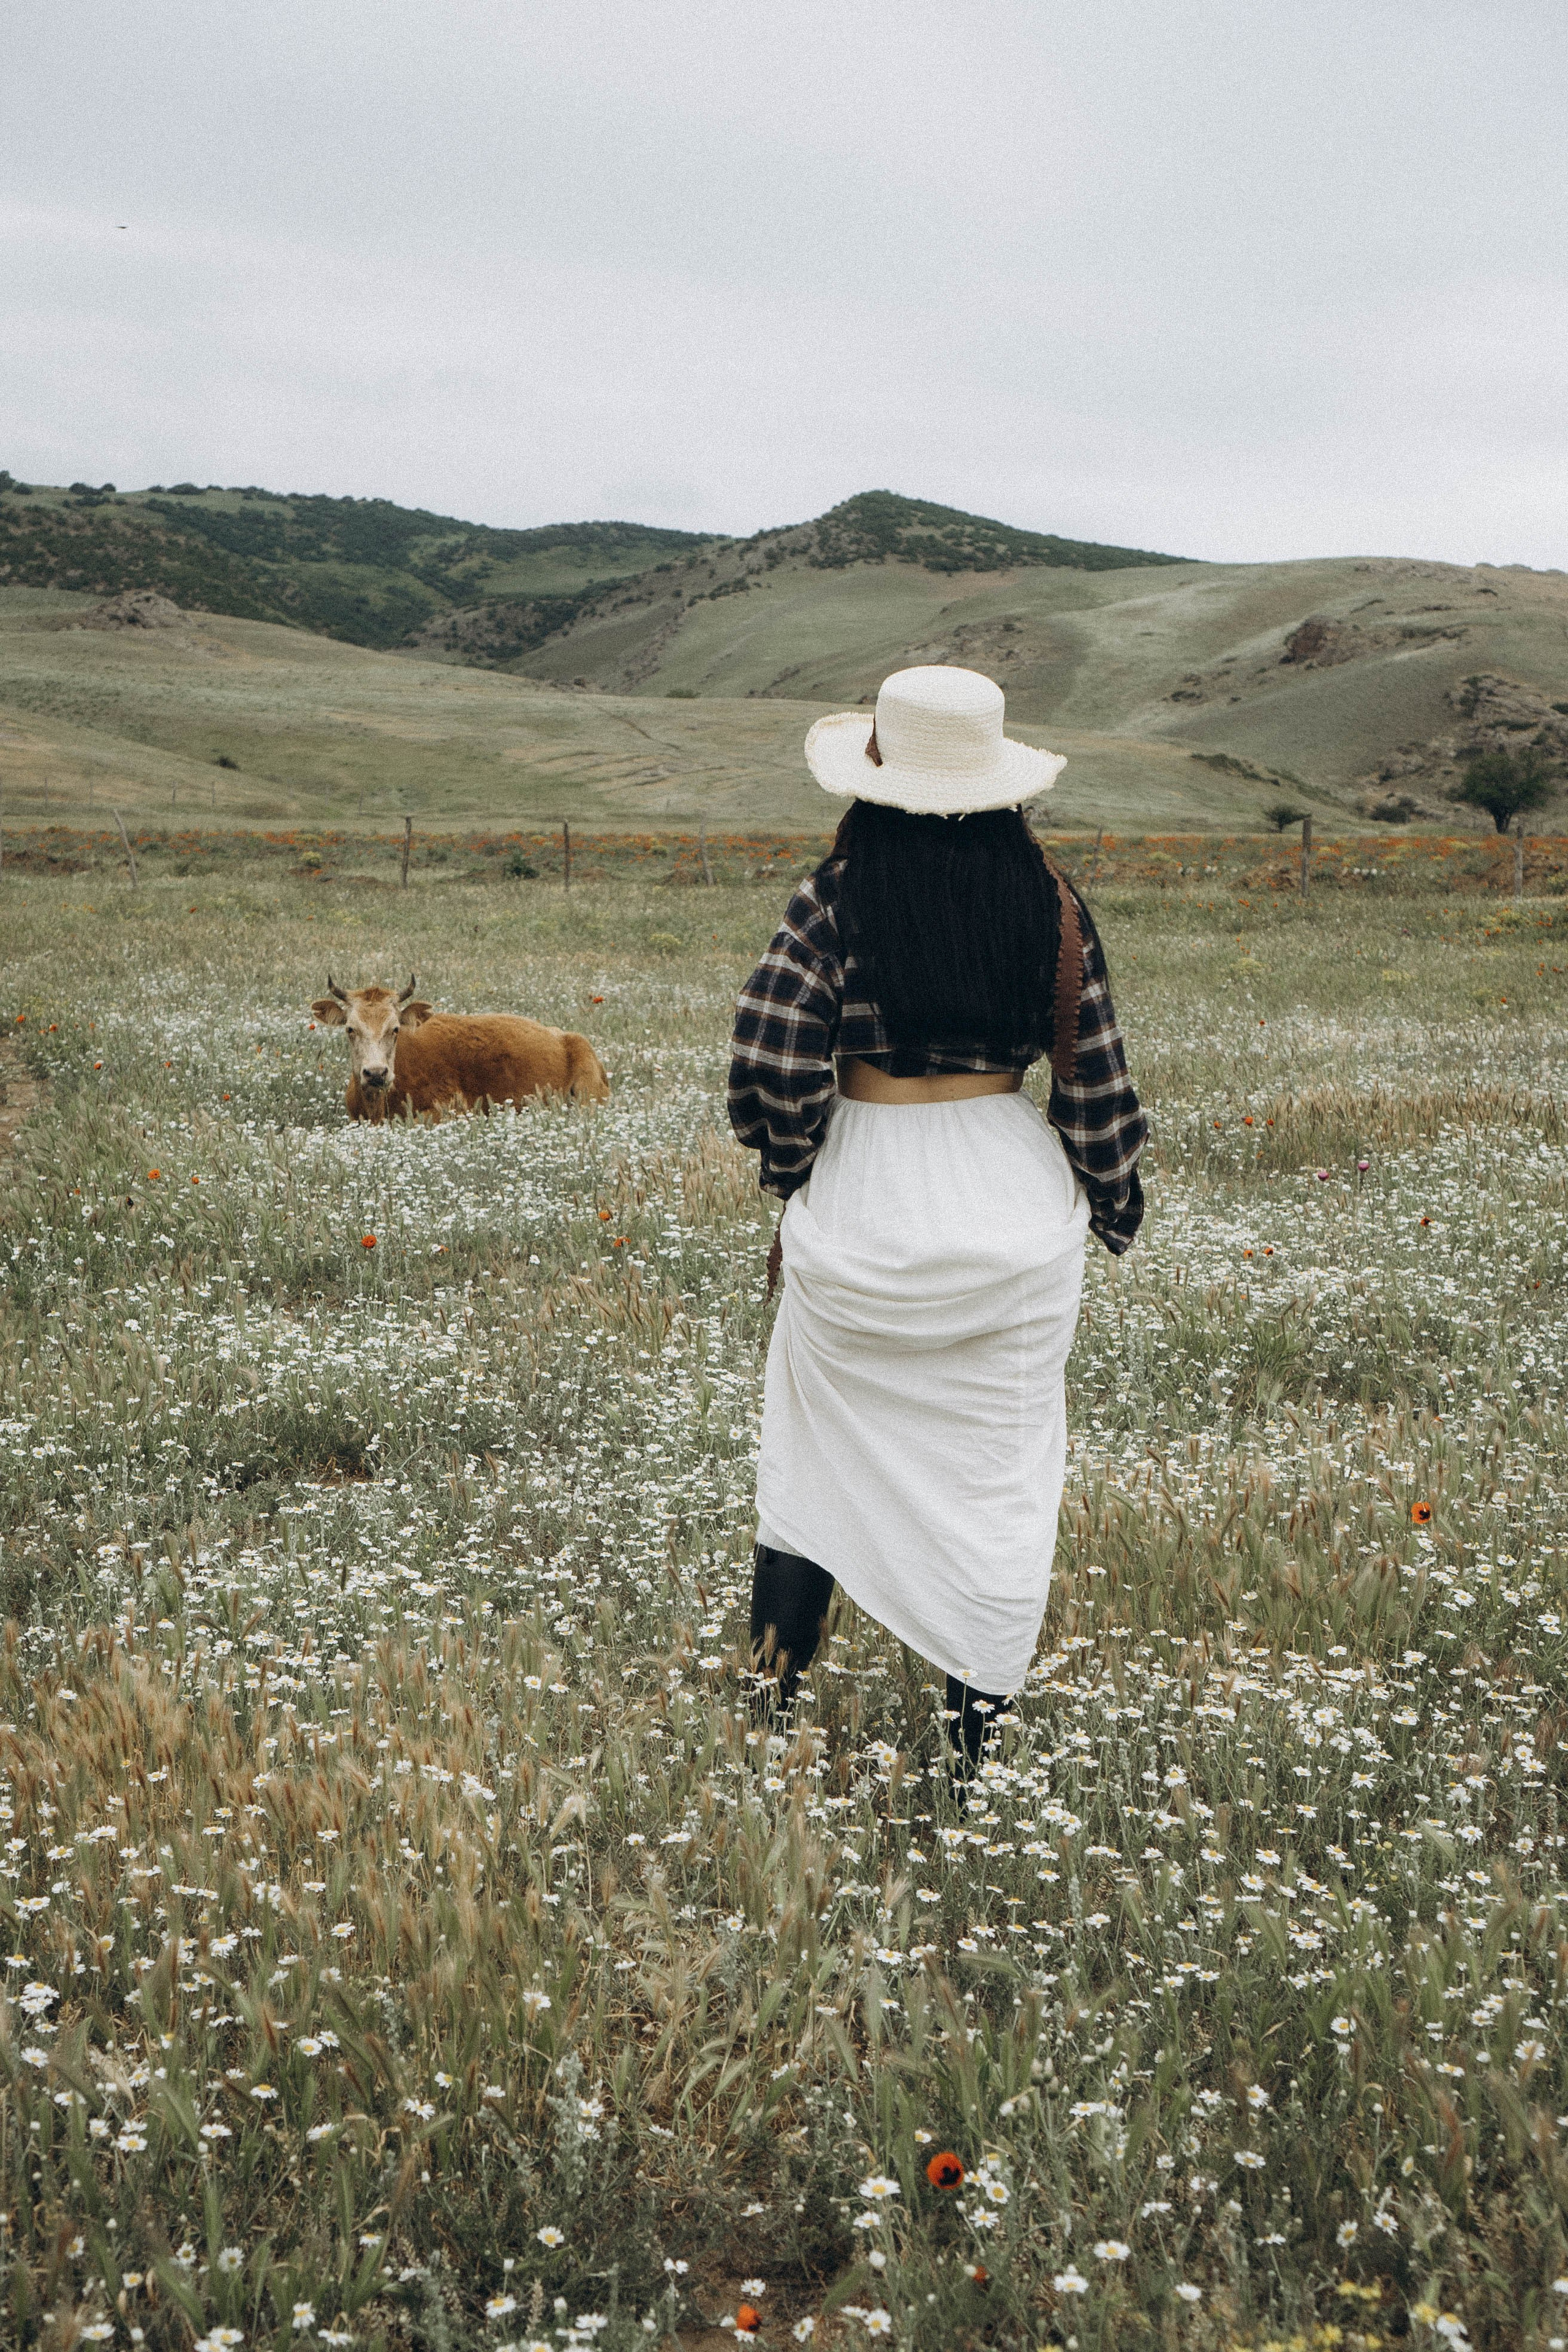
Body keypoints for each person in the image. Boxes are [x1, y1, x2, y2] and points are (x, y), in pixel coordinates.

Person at [727, 665, 1145, 1771]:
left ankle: (771, 1716)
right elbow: (1093, 1078)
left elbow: (770, 1055)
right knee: (995, 1477)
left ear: (875, 780)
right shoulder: (1048, 901)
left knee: (813, 1460)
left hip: (867, 1185)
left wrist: (801, 1165)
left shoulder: (835, 898)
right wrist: (1112, 1199)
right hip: (1008, 1193)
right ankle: (973, 1751)